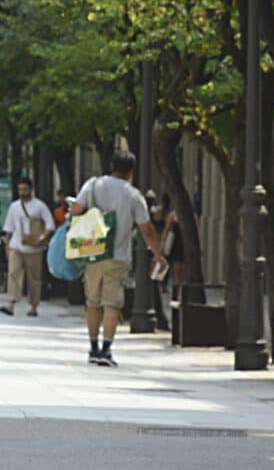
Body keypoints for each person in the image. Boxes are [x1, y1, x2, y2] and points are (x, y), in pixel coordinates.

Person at [70, 151, 165, 367]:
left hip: (92, 252)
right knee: (112, 303)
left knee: (92, 302)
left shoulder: (92, 185)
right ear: (131, 171)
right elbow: (147, 229)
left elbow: (76, 210)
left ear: (111, 165)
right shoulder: (133, 194)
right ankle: (106, 350)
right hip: (118, 255)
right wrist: (158, 255)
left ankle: (93, 348)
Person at [3, 177, 55, 317]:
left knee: (34, 278)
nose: (22, 192)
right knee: (13, 273)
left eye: (25, 189)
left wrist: (42, 239)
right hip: (16, 246)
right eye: (20, 189)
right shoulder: (14, 206)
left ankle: (33, 306)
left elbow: (50, 225)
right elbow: (9, 227)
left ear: (31, 189)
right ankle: (11, 303)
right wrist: (7, 245)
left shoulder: (40, 206)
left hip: (34, 248)